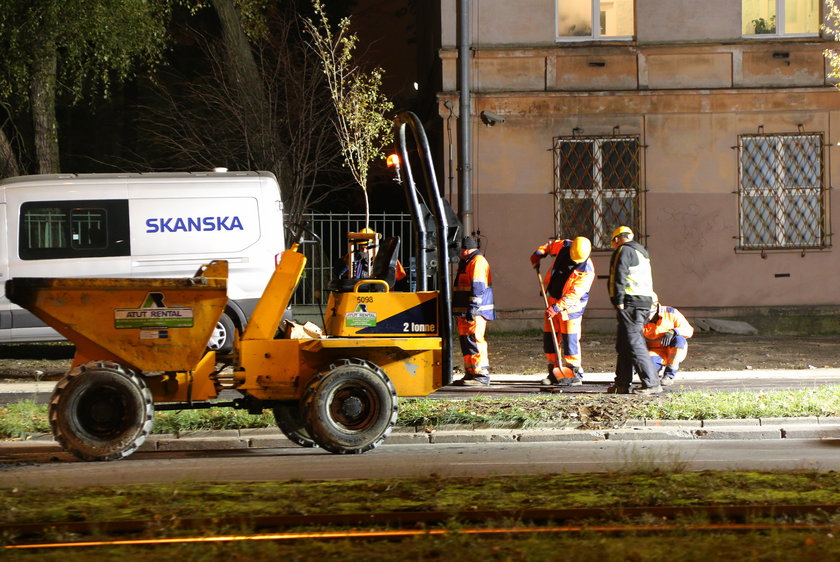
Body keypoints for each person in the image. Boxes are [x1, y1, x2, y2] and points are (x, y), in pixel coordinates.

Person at [530, 236, 595, 387]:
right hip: (552, 299)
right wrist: (539, 253)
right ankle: (554, 371)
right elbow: (549, 245)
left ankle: (573, 371)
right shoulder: (565, 246)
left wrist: (557, 308)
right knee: (550, 338)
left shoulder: (586, 270)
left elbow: (574, 295)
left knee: (570, 340)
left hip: (570, 309)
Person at [607, 226, 662, 395]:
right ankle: (622, 384)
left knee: (634, 342)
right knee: (624, 344)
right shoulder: (642, 252)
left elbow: (619, 274)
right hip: (644, 302)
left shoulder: (624, 250)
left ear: (617, 239)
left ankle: (652, 383)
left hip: (631, 303)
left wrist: (619, 300)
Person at [452, 236, 495, 386]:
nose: (460, 252)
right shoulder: (467, 262)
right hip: (466, 311)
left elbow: (478, 287)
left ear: (467, 249)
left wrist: (473, 308)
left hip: (475, 311)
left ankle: (481, 374)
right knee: (467, 341)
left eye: (462, 250)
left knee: (475, 340)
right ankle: (471, 372)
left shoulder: (477, 262)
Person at [644, 294, 694, 386]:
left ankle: (669, 375)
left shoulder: (671, 313)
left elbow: (689, 330)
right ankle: (656, 370)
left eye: (647, 312)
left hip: (673, 350)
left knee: (679, 339)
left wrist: (673, 331)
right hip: (654, 352)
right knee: (648, 369)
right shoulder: (640, 319)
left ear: (656, 307)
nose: (645, 316)